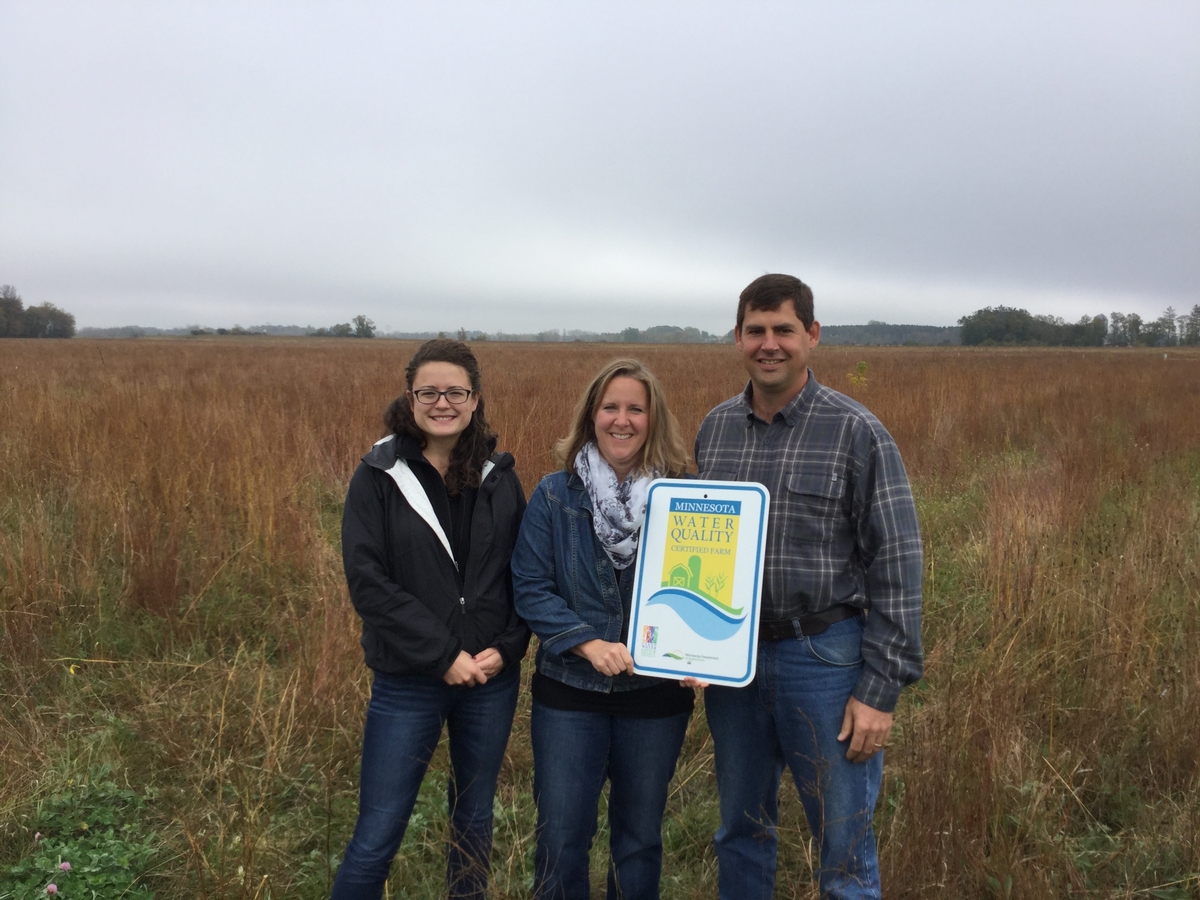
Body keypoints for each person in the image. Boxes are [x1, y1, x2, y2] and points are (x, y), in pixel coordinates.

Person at [694, 274, 924, 900]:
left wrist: (879, 691)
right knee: (740, 829)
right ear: (738, 337)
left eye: (784, 331)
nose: (769, 344)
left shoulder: (857, 432)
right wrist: (690, 647)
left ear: (812, 336)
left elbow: (898, 564)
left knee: (843, 846)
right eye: (756, 331)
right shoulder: (715, 430)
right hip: (734, 663)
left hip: (823, 659)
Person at [331, 339, 530, 900]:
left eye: (455, 392)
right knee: (378, 830)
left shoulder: (499, 475)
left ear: (475, 398)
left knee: (474, 820)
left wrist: (510, 646)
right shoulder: (379, 474)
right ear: (411, 396)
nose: (442, 403)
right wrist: (442, 656)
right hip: (408, 681)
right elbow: (368, 583)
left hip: (490, 680)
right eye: (429, 392)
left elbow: (523, 573)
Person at [511, 359, 693, 900]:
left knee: (638, 841)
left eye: (636, 408)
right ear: (592, 415)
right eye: (610, 407)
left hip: (655, 698)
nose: (622, 420)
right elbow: (529, 586)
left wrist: (700, 656)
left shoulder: (683, 496)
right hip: (569, 696)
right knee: (562, 838)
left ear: (653, 418)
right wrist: (588, 643)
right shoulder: (553, 494)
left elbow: (704, 591)